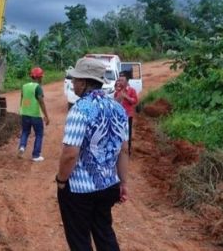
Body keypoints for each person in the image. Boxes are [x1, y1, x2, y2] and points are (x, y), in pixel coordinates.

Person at [56, 57, 129, 251]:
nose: (73, 83)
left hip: (80, 189)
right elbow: (123, 150)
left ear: (84, 82)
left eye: (76, 79)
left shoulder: (79, 110)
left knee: (79, 239)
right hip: (108, 186)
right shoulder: (119, 108)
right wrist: (123, 182)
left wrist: (61, 180)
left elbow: (70, 154)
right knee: (104, 233)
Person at [18, 66, 50, 162]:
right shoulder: (38, 87)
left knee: (25, 131)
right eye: (41, 77)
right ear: (39, 77)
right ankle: (36, 155)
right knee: (39, 134)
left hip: (25, 114)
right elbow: (41, 102)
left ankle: (22, 146)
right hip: (35, 115)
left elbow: (22, 99)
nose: (42, 78)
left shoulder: (24, 86)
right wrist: (46, 116)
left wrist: (21, 110)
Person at [114, 73, 138, 156]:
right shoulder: (118, 91)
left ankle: (127, 151)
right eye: (119, 80)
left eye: (122, 80)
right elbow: (114, 102)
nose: (120, 82)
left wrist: (126, 97)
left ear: (126, 81)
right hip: (118, 116)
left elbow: (135, 101)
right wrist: (119, 97)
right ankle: (119, 150)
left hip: (128, 115)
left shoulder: (131, 90)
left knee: (128, 134)